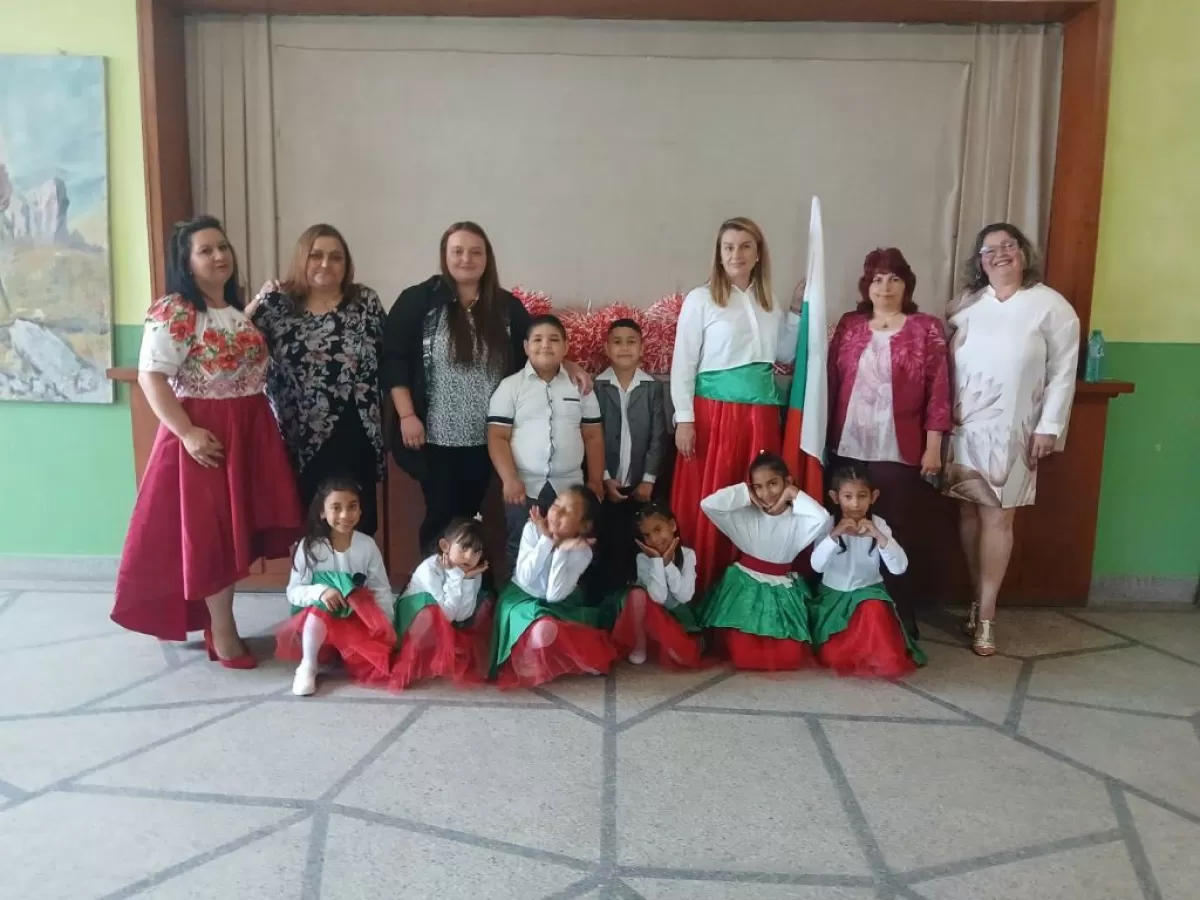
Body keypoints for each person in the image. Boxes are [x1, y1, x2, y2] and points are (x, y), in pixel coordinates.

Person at [111, 216, 303, 668]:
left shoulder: (232, 310)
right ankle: (222, 630)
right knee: (213, 536)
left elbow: (230, 347)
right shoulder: (175, 311)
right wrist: (187, 433)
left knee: (232, 534)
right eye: (206, 250)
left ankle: (218, 625)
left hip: (249, 430)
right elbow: (151, 377)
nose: (219, 256)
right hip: (206, 436)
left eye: (223, 247)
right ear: (186, 261)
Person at [384, 222, 591, 553]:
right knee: (440, 514)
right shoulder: (419, 301)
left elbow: (536, 345)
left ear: (487, 258)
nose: (466, 259)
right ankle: (433, 581)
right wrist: (407, 415)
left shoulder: (505, 306)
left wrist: (569, 364)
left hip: (487, 437)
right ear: (445, 255)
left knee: (471, 516)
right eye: (457, 251)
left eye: (475, 252)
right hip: (434, 436)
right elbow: (393, 358)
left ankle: (469, 578)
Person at [945, 223, 1080, 656]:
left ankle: (987, 613)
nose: (1000, 254)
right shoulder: (966, 305)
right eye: (990, 249)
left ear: (1023, 253)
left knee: (999, 517)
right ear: (979, 261)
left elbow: (1063, 372)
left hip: (1016, 431)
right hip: (965, 428)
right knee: (969, 512)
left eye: (1009, 246)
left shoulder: (1051, 306)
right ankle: (975, 597)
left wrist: (1050, 426)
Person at [670, 217, 802, 592]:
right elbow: (684, 363)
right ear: (719, 253)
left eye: (745, 246)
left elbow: (783, 355)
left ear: (758, 253)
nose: (736, 254)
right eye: (728, 247)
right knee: (716, 494)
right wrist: (684, 419)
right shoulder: (701, 299)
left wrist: (795, 311)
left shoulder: (768, 302)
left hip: (761, 415)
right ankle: (704, 584)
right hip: (715, 415)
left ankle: (750, 585)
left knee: (757, 495)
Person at [826, 248, 951, 636]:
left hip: (898, 449)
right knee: (846, 528)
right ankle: (845, 617)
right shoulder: (850, 325)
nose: (885, 287)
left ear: (906, 285)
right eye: (877, 279)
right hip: (847, 446)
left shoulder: (925, 328)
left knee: (894, 531)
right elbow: (830, 381)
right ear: (866, 286)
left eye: (894, 279)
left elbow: (939, 390)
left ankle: (897, 618)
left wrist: (934, 445)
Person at [249, 225, 386, 535]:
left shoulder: (365, 301)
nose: (326, 264)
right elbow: (236, 342)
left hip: (356, 430)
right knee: (312, 526)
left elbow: (388, 354)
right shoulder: (277, 305)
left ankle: (357, 570)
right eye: (316, 256)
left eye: (336, 257)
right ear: (302, 259)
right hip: (300, 435)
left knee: (357, 525)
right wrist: (258, 299)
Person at [487, 315, 605, 569]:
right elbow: (497, 436)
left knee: (572, 547)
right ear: (525, 346)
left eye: (554, 339)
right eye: (537, 340)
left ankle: (566, 594)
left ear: (566, 346)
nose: (545, 345)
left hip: (570, 487)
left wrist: (595, 480)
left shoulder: (580, 385)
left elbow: (593, 435)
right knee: (521, 546)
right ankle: (518, 594)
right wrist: (509, 479)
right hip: (522, 487)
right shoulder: (510, 387)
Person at [699, 452, 831, 670]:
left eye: (773, 484)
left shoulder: (799, 520)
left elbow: (823, 518)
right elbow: (708, 504)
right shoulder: (746, 514)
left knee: (786, 653)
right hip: (745, 587)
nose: (766, 493)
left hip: (782, 588)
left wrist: (793, 493)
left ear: (787, 481)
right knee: (745, 652)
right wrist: (744, 493)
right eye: (758, 487)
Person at [488, 486, 618, 688]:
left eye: (567, 511)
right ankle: (530, 653)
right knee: (540, 627)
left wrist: (562, 552)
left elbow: (554, 595)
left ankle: (551, 652)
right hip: (522, 596)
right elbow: (525, 577)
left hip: (559, 602)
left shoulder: (582, 551)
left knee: (552, 627)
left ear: (584, 526)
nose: (557, 512)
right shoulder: (532, 529)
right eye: (557, 504)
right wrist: (546, 541)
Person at [276, 478, 396, 696]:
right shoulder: (310, 546)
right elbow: (294, 591)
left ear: (360, 510)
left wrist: (386, 624)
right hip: (317, 618)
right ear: (322, 512)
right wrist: (321, 591)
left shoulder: (367, 545)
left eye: (352, 507)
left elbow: (380, 588)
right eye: (336, 508)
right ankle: (308, 665)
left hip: (355, 615)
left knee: (375, 666)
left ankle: (343, 650)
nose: (345, 515)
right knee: (323, 606)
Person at [809, 464, 927, 678]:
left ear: (874, 496)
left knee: (873, 608)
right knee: (833, 652)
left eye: (862, 496)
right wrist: (834, 536)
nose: (855, 504)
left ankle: (873, 653)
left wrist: (879, 537)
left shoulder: (879, 524)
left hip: (869, 592)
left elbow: (899, 568)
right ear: (835, 497)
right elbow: (817, 565)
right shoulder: (828, 524)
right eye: (848, 496)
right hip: (834, 596)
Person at [594, 318, 666, 591]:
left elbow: (657, 436)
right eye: (617, 342)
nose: (624, 348)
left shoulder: (651, 388)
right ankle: (606, 595)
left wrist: (648, 479)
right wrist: (603, 477)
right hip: (606, 483)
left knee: (633, 541)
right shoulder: (597, 386)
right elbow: (591, 435)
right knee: (606, 540)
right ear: (606, 348)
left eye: (631, 342)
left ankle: (635, 594)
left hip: (639, 485)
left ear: (642, 348)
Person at [391, 518, 493, 689]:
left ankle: (443, 656)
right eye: (464, 548)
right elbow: (446, 615)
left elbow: (463, 615)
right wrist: (455, 576)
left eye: (476, 552)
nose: (469, 556)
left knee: (485, 604)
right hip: (414, 617)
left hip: (448, 616)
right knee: (429, 613)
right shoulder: (429, 569)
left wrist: (467, 580)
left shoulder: (473, 572)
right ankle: (409, 661)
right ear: (445, 546)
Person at [610, 502, 704, 668]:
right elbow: (658, 597)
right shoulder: (643, 558)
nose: (654, 539)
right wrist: (657, 561)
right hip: (648, 612)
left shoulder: (688, 555)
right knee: (636, 595)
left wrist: (668, 565)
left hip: (676, 613)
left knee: (681, 656)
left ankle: (666, 642)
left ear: (672, 525)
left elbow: (684, 596)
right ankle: (640, 643)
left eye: (658, 530)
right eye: (647, 535)